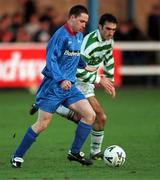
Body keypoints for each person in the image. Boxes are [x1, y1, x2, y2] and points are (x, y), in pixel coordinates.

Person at [11, 5, 96, 168]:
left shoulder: (78, 35)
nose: (84, 25)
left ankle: (74, 152)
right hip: (53, 87)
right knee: (42, 124)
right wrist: (61, 80)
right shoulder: (60, 36)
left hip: (69, 88)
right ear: (71, 18)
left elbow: (74, 55)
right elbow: (51, 62)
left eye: (86, 22)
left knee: (90, 115)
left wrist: (84, 65)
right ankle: (17, 156)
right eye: (81, 21)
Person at [30, 13, 117, 160]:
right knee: (99, 116)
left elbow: (109, 58)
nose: (111, 32)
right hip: (78, 80)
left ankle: (59, 108)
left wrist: (110, 79)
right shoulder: (88, 43)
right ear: (100, 27)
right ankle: (90, 151)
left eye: (114, 30)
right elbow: (77, 69)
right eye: (108, 29)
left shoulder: (109, 40)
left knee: (87, 118)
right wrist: (98, 79)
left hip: (88, 81)